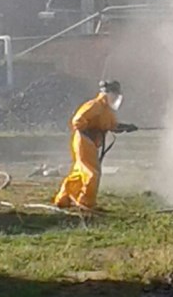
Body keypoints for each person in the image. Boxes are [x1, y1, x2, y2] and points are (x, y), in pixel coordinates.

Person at [52, 80, 137, 209]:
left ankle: (63, 199)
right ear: (108, 94)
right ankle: (86, 203)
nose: (116, 99)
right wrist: (92, 130)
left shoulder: (106, 110)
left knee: (79, 173)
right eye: (114, 95)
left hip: (89, 142)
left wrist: (126, 127)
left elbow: (111, 125)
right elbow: (77, 121)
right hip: (84, 140)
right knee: (92, 173)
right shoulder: (95, 105)